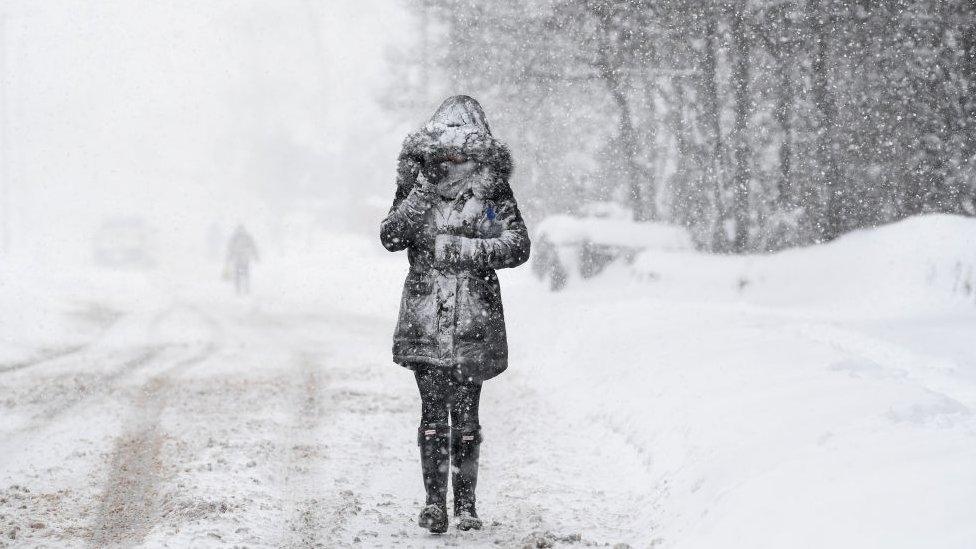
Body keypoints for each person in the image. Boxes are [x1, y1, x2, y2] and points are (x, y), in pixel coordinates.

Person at [379, 96, 531, 534]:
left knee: (465, 416)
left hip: (473, 320)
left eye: (462, 146)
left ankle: (466, 506)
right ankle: (433, 504)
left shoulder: (492, 189)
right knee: (431, 414)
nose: (453, 154)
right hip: (424, 318)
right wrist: (419, 194)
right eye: (445, 146)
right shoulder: (416, 184)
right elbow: (391, 236)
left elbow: (518, 245)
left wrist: (466, 250)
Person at [225, 224, 259, 295]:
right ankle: (244, 289)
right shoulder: (246, 237)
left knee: (239, 275)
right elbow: (253, 246)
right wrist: (256, 256)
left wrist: (229, 258)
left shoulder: (235, 237)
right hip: (244, 259)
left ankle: (240, 289)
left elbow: (230, 249)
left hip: (240, 259)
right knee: (244, 274)